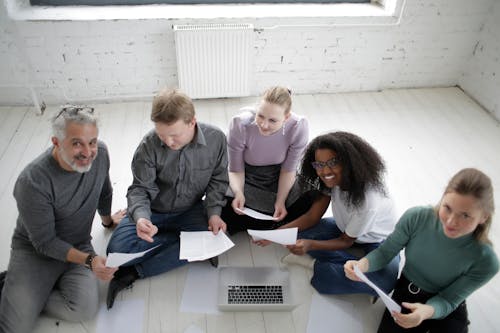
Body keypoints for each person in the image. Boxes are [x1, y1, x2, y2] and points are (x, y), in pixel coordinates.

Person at [0, 105, 124, 333]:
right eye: (77, 143)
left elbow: (104, 191)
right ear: (56, 142)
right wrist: (89, 261)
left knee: (83, 309)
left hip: (77, 245)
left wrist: (107, 221)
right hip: (36, 252)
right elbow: (44, 242)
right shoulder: (32, 182)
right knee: (15, 327)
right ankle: (12, 290)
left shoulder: (101, 154)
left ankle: (30, 296)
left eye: (92, 141)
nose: (88, 152)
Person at [106, 88, 229, 309]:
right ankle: (183, 245)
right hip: (154, 211)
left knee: (214, 240)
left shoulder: (216, 139)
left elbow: (218, 182)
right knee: (115, 252)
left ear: (192, 122)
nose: (168, 142)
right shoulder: (149, 145)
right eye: (162, 135)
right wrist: (141, 218)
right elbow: (139, 189)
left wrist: (213, 214)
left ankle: (135, 272)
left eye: (174, 135)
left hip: (190, 209)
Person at [345, 168, 499, 332]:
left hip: (445, 302)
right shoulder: (416, 217)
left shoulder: (486, 262)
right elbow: (385, 252)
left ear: (484, 217)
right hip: (408, 293)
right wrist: (362, 265)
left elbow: (448, 300)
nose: (451, 221)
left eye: (465, 215)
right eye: (447, 207)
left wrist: (425, 312)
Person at [270, 131, 400, 296]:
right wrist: (275, 234)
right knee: (296, 235)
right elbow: (312, 217)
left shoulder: (368, 201)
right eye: (319, 164)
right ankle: (350, 268)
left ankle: (319, 265)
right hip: (344, 228)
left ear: (350, 163)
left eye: (332, 162)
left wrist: (310, 245)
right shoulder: (328, 181)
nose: (325, 171)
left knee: (383, 283)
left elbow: (345, 241)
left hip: (379, 241)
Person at [221, 86, 311, 234]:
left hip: (278, 177)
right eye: (260, 116)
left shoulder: (298, 127)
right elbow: (235, 169)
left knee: (309, 196)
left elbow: (289, 170)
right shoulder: (240, 125)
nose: (264, 125)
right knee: (221, 201)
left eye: (273, 121)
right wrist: (238, 193)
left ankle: (263, 222)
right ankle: (267, 224)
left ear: (286, 118)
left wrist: (280, 201)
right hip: (246, 176)